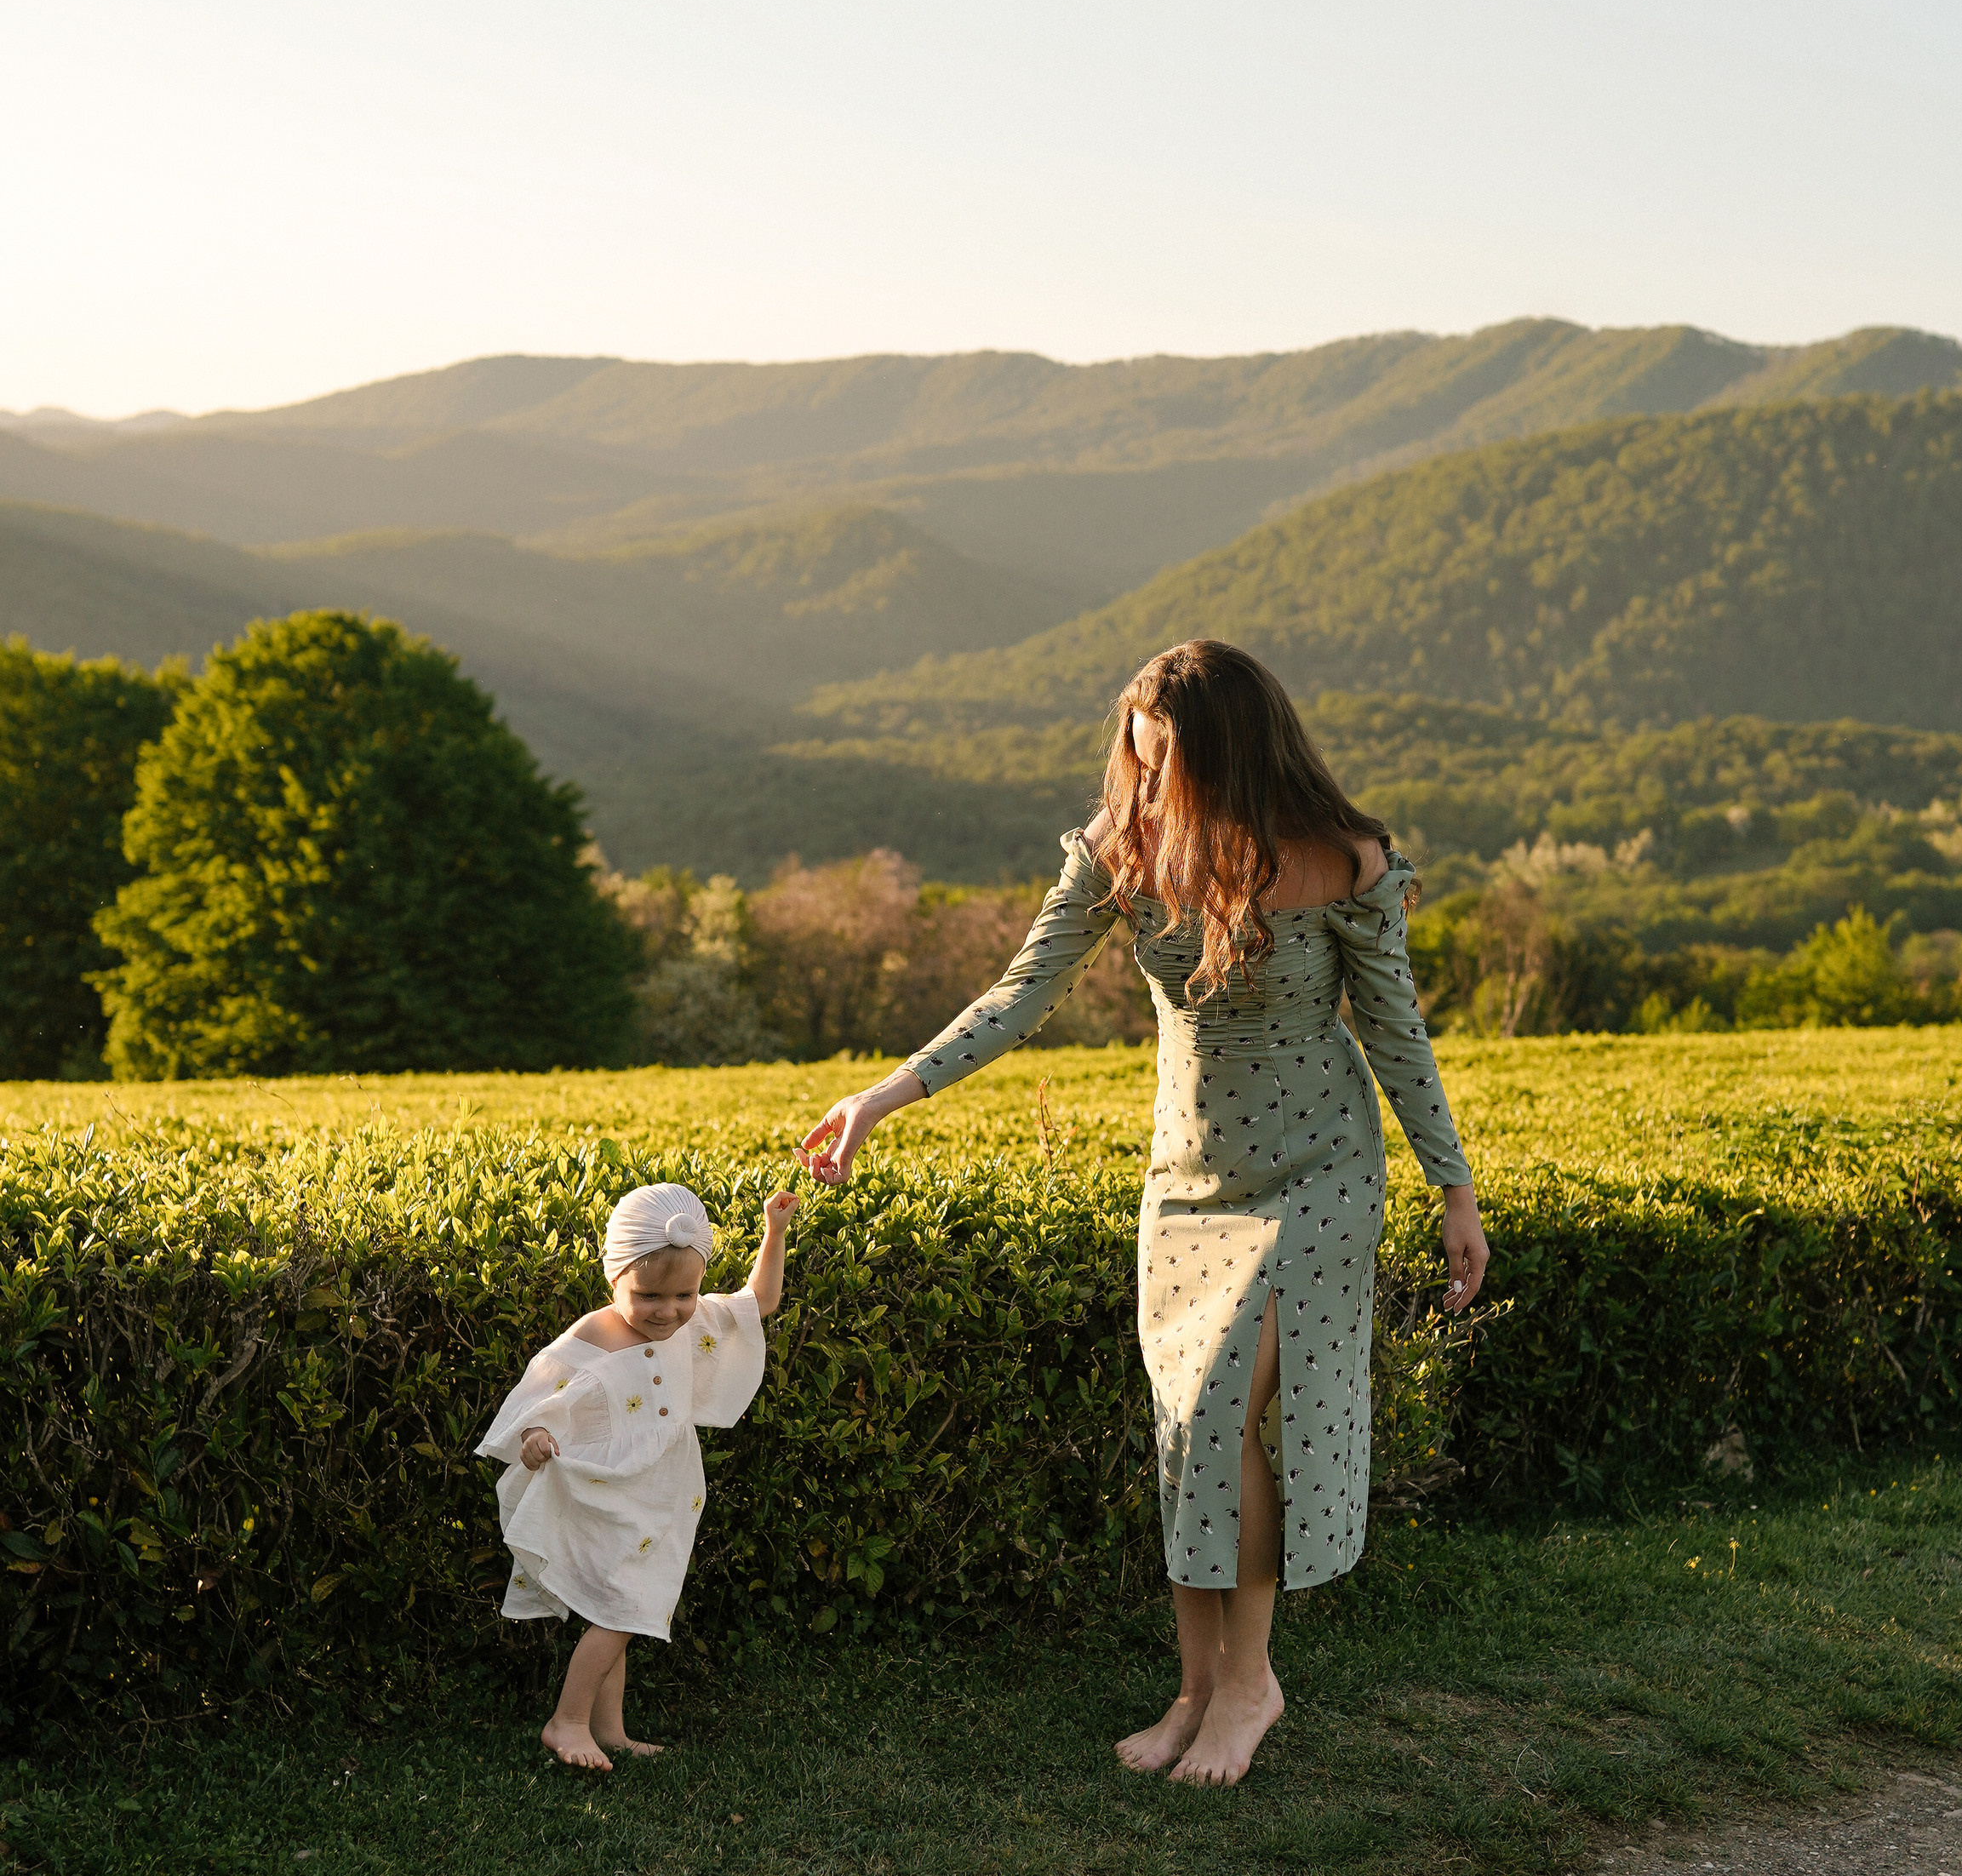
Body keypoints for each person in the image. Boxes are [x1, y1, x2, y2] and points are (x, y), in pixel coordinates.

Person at [799, 641, 1488, 1788]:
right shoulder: (1123, 855)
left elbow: (1395, 1032)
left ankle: (1250, 1684)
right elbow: (1018, 992)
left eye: (1171, 761)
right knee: (1185, 1434)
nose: (1150, 784)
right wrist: (880, 1097)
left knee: (1231, 1406)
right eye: (1138, 759)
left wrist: (1451, 1190)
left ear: (1235, 753)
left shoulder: (1344, 860)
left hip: (1319, 1171)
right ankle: (1194, 1688)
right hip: (1188, 1183)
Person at [478, 1178, 798, 1772]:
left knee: (618, 1604)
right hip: (600, 1491)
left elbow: (760, 1303)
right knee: (623, 1607)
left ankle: (609, 1730)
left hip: (660, 1491)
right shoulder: (591, 1335)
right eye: (650, 1295)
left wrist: (773, 1233)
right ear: (614, 1278)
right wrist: (534, 1437)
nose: (669, 1310)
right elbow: (536, 1395)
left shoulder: (690, 1318)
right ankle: (565, 1722)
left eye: (684, 1294)